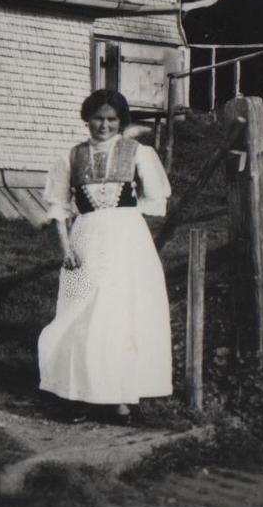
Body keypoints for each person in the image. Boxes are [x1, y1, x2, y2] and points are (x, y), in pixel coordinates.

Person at [37, 89, 172, 421]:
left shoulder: (137, 153)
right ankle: (80, 394)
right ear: (87, 119)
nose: (104, 125)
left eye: (112, 119)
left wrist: (124, 223)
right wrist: (66, 249)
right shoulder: (71, 157)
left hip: (127, 242)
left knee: (123, 314)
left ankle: (121, 398)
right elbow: (58, 208)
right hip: (85, 241)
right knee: (81, 312)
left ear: (121, 121)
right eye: (98, 118)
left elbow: (155, 199)